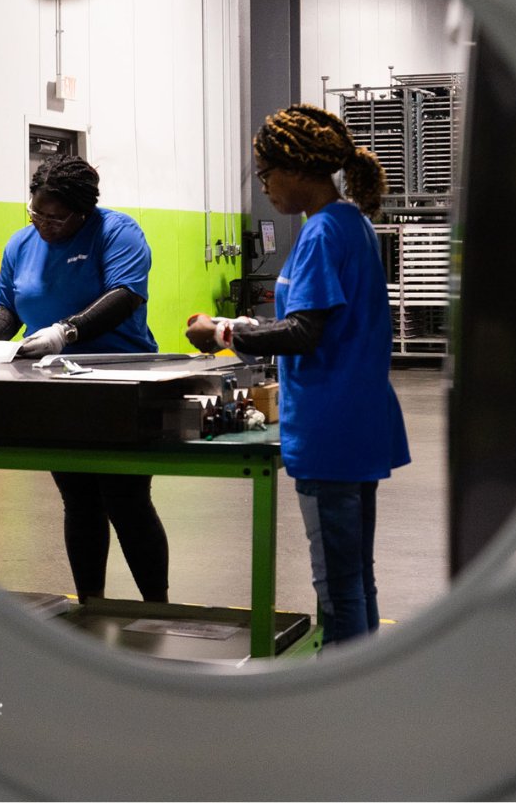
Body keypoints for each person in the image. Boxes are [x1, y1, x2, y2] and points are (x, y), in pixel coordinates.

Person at [186, 104, 410, 647]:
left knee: (336, 583)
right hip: (360, 417)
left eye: (265, 175)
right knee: (356, 574)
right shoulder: (350, 222)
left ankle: (337, 693)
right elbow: (318, 321)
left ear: (295, 169)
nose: (264, 188)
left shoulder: (320, 234)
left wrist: (222, 335)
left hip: (330, 425)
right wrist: (245, 324)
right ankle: (361, 679)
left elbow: (305, 332)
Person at [0, 154, 169, 604]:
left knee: (126, 502)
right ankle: (90, 606)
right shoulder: (21, 243)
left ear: (83, 211)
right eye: (36, 212)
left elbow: (125, 294)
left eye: (56, 218)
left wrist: (66, 331)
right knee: (79, 501)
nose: (44, 224)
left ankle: (158, 608)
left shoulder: (117, 232)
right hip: (56, 389)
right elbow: (8, 307)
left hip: (118, 384)